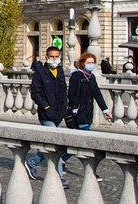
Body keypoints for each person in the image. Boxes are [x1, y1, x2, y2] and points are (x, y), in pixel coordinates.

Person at [25, 46, 69, 189]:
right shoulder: (41, 72)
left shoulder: (60, 72)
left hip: (58, 113)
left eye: (56, 56)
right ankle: (60, 177)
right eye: (52, 56)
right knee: (55, 145)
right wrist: (46, 108)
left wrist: (64, 109)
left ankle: (32, 162)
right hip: (46, 113)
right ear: (46, 57)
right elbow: (35, 93)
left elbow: (63, 92)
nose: (54, 59)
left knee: (52, 144)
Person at [68, 52, 112, 130]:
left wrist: (105, 110)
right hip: (79, 111)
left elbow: (97, 94)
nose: (91, 64)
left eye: (92, 62)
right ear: (82, 63)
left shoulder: (92, 77)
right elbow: (71, 94)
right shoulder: (76, 76)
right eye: (88, 62)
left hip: (88, 111)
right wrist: (75, 109)